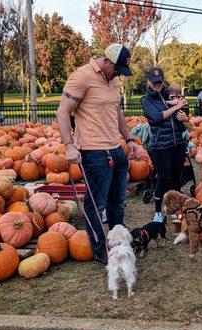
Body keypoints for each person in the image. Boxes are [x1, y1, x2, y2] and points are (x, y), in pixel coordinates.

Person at [56, 43, 138, 265]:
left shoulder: (113, 80)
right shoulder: (82, 77)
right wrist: (69, 145)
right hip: (93, 152)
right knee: (96, 205)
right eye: (117, 69)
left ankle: (118, 242)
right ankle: (99, 248)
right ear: (106, 61)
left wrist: (129, 138)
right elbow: (63, 112)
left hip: (116, 149)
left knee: (118, 201)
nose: (119, 74)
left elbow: (117, 111)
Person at [141, 67, 189, 222]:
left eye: (160, 82)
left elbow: (184, 109)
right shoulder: (146, 100)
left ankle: (174, 209)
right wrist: (176, 106)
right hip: (161, 145)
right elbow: (156, 117)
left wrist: (183, 117)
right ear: (148, 81)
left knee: (176, 178)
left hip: (179, 143)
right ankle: (158, 212)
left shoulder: (171, 95)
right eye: (154, 82)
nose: (157, 85)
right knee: (163, 178)